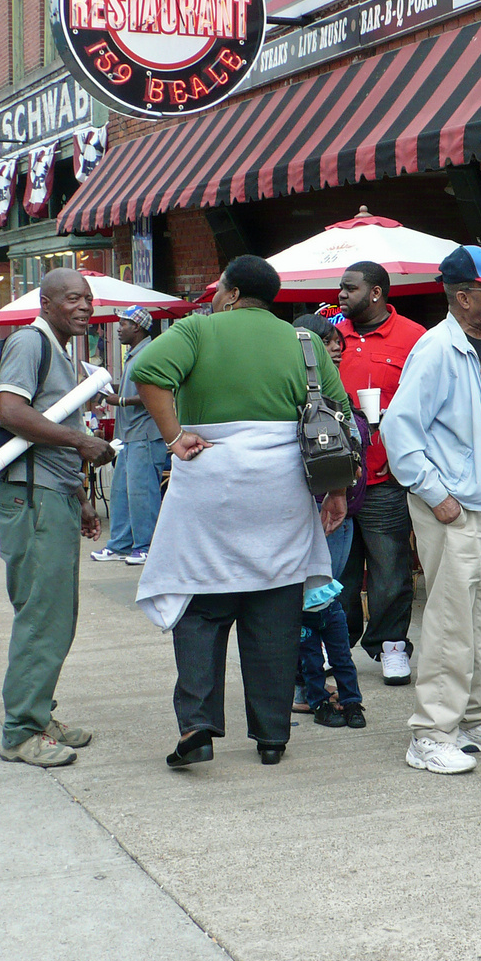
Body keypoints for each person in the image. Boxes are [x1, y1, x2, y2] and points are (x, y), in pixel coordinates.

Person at [131, 257, 351, 768]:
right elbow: (337, 416)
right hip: (283, 489)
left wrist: (173, 435)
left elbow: (146, 372)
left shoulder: (196, 330)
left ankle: (199, 724)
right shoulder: (305, 341)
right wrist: (336, 491)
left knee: (202, 605)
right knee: (274, 608)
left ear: (229, 293)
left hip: (210, 480)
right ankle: (272, 736)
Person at [380, 245, 481, 774]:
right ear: (463, 297)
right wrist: (436, 495)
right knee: (449, 622)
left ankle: (479, 716)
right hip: (458, 509)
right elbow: (399, 429)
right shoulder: (437, 349)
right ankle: (430, 732)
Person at [0, 269, 116, 768]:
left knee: (57, 614)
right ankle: (21, 731)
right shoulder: (30, 342)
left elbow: (55, 423)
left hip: (53, 493)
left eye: (88, 299)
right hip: (30, 497)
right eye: (72, 299)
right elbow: (10, 413)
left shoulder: (62, 351)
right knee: (42, 616)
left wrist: (81, 494)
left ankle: (38, 715)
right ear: (46, 302)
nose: (84, 306)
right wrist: (82, 443)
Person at [334, 260, 426, 684]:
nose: (341, 294)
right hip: (334, 479)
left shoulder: (413, 338)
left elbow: (428, 403)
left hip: (385, 477)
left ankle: (391, 647)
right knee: (340, 572)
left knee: (389, 569)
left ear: (375, 293)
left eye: (349, 288)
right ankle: (338, 645)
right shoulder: (330, 337)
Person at [291, 314, 368, 729]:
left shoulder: (336, 391)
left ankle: (331, 690)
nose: (336, 347)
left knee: (328, 605)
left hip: (343, 510)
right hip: (316, 512)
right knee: (314, 606)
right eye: (327, 342)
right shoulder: (303, 392)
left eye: (338, 340)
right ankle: (308, 689)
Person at [90, 305, 169, 566]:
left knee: (142, 493)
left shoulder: (151, 354)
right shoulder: (134, 355)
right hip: (128, 435)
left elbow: (156, 394)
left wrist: (120, 400)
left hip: (145, 435)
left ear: (137, 327)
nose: (118, 328)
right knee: (122, 492)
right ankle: (120, 544)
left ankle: (147, 546)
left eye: (123, 324)